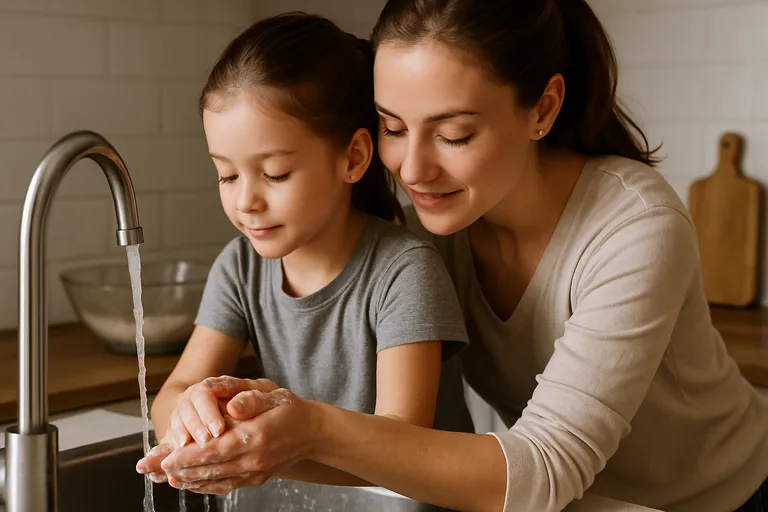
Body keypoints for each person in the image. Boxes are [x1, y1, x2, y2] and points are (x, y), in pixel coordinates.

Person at [137, 1, 768, 511]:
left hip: (723, 496)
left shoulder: (634, 225)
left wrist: (307, 429)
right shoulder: (429, 230)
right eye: (392, 126)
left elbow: (544, 468)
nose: (412, 169)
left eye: (454, 134)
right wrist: (238, 446)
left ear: (542, 109)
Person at [142, 10, 475, 490]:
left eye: (275, 173)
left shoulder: (404, 271)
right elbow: (169, 397)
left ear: (353, 157)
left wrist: (269, 448)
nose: (246, 201)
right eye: (227, 174)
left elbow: (405, 443)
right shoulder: (240, 267)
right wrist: (194, 414)